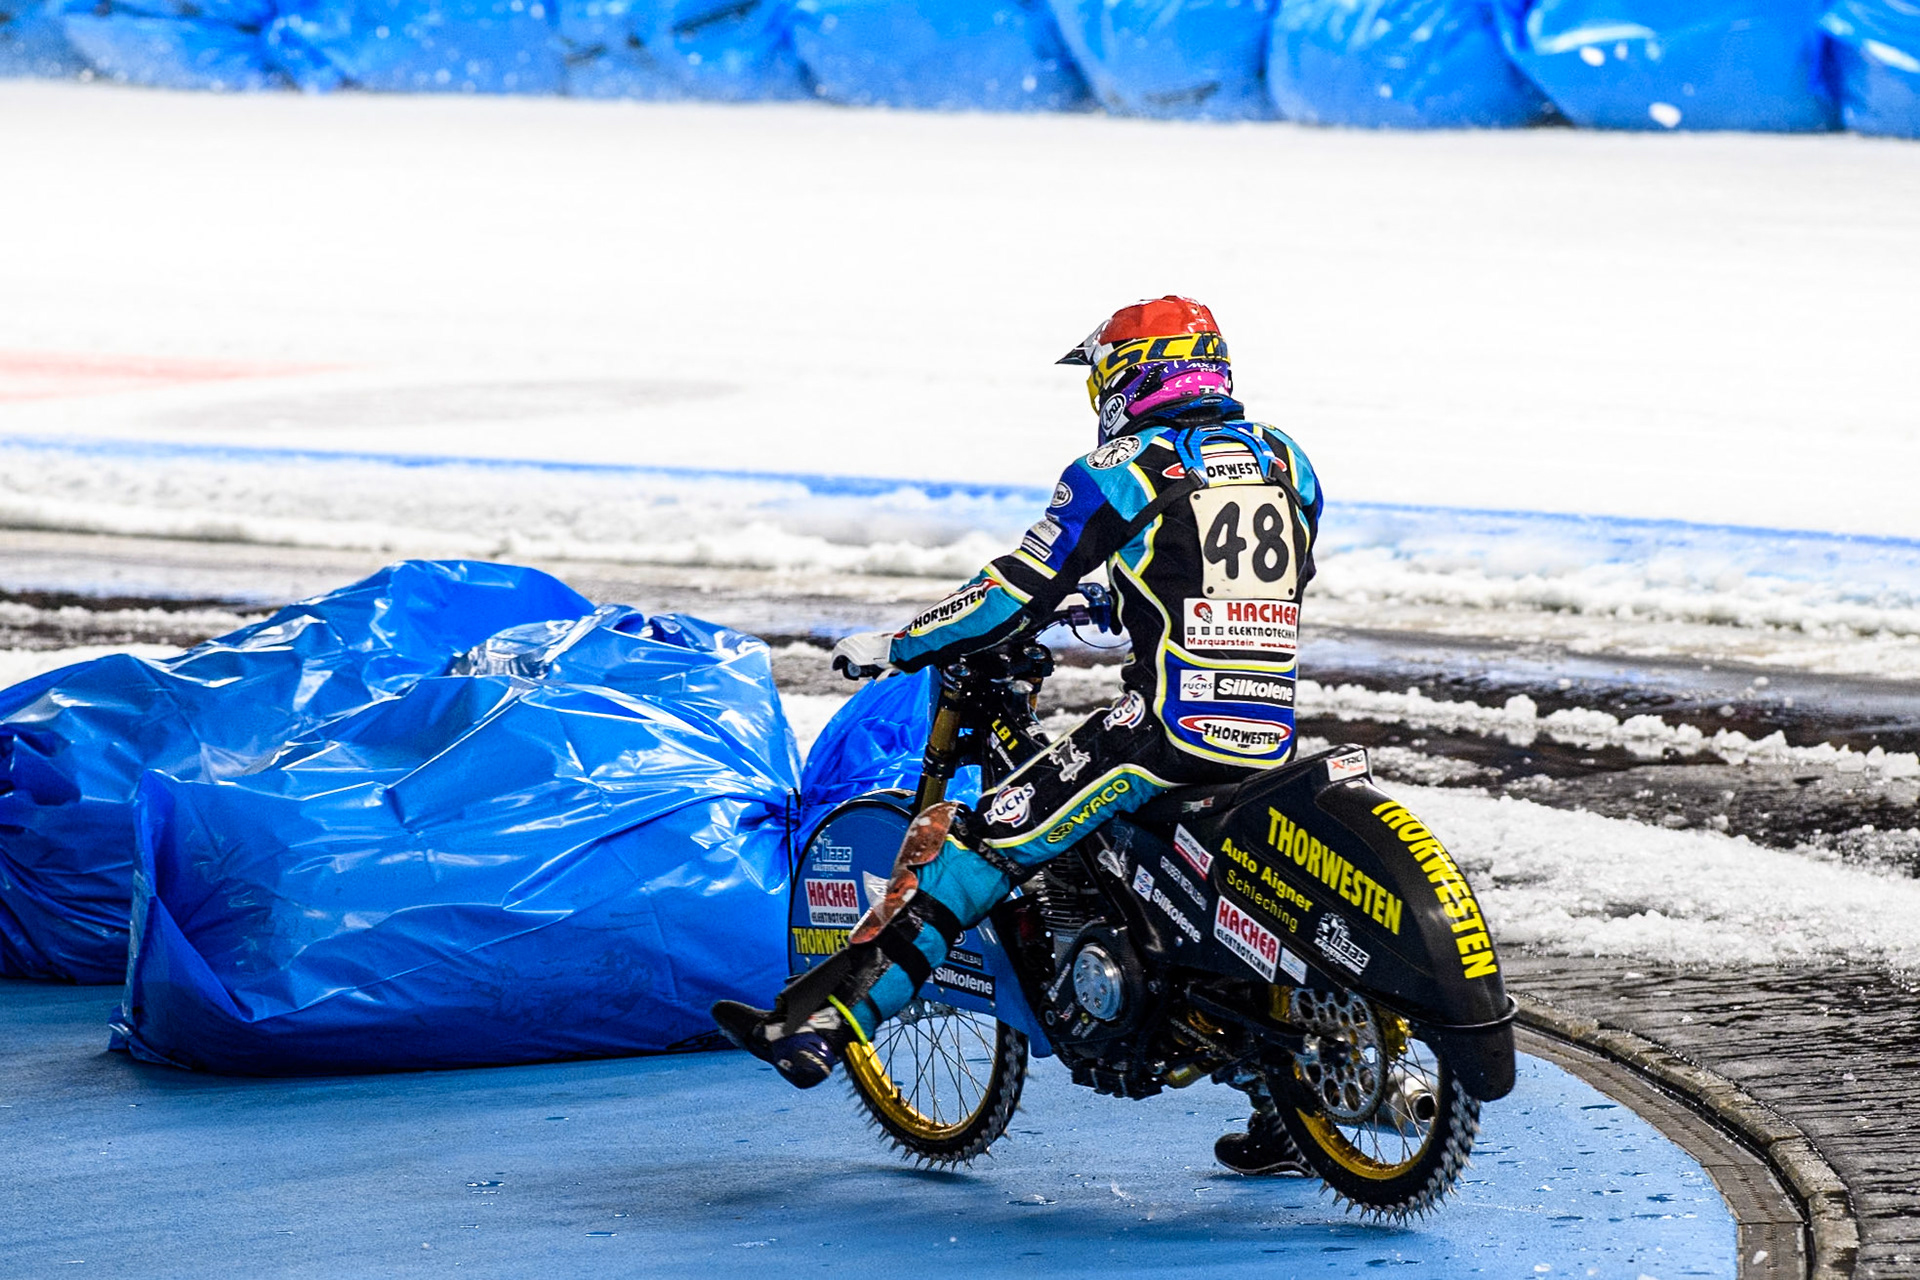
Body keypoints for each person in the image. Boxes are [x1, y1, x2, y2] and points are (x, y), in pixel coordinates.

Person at [713, 297, 1323, 1177]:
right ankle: (1284, 1112)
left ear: (1132, 375)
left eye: (1104, 373)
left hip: (1167, 730)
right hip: (1265, 732)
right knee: (1219, 902)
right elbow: (1236, 579)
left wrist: (899, 642)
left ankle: (819, 1029)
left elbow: (1010, 590)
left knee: (975, 844)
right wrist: (1112, 599)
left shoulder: (1121, 467)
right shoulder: (1286, 460)